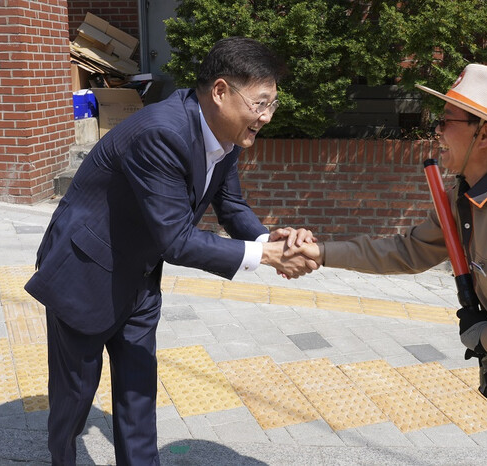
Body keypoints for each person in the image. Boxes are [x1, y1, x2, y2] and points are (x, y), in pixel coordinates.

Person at [291, 64, 487, 465]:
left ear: (485, 134)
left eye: (446, 121)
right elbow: (409, 250)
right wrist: (321, 253)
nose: (437, 131)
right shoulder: (466, 197)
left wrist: (485, 338)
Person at [25, 37, 318, 465]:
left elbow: (231, 205)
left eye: (272, 104)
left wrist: (265, 241)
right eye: (259, 104)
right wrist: (267, 259)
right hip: (85, 270)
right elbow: (176, 239)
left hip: (140, 276)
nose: (266, 116)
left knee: (138, 393)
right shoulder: (161, 132)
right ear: (221, 91)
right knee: (74, 397)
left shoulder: (225, 135)